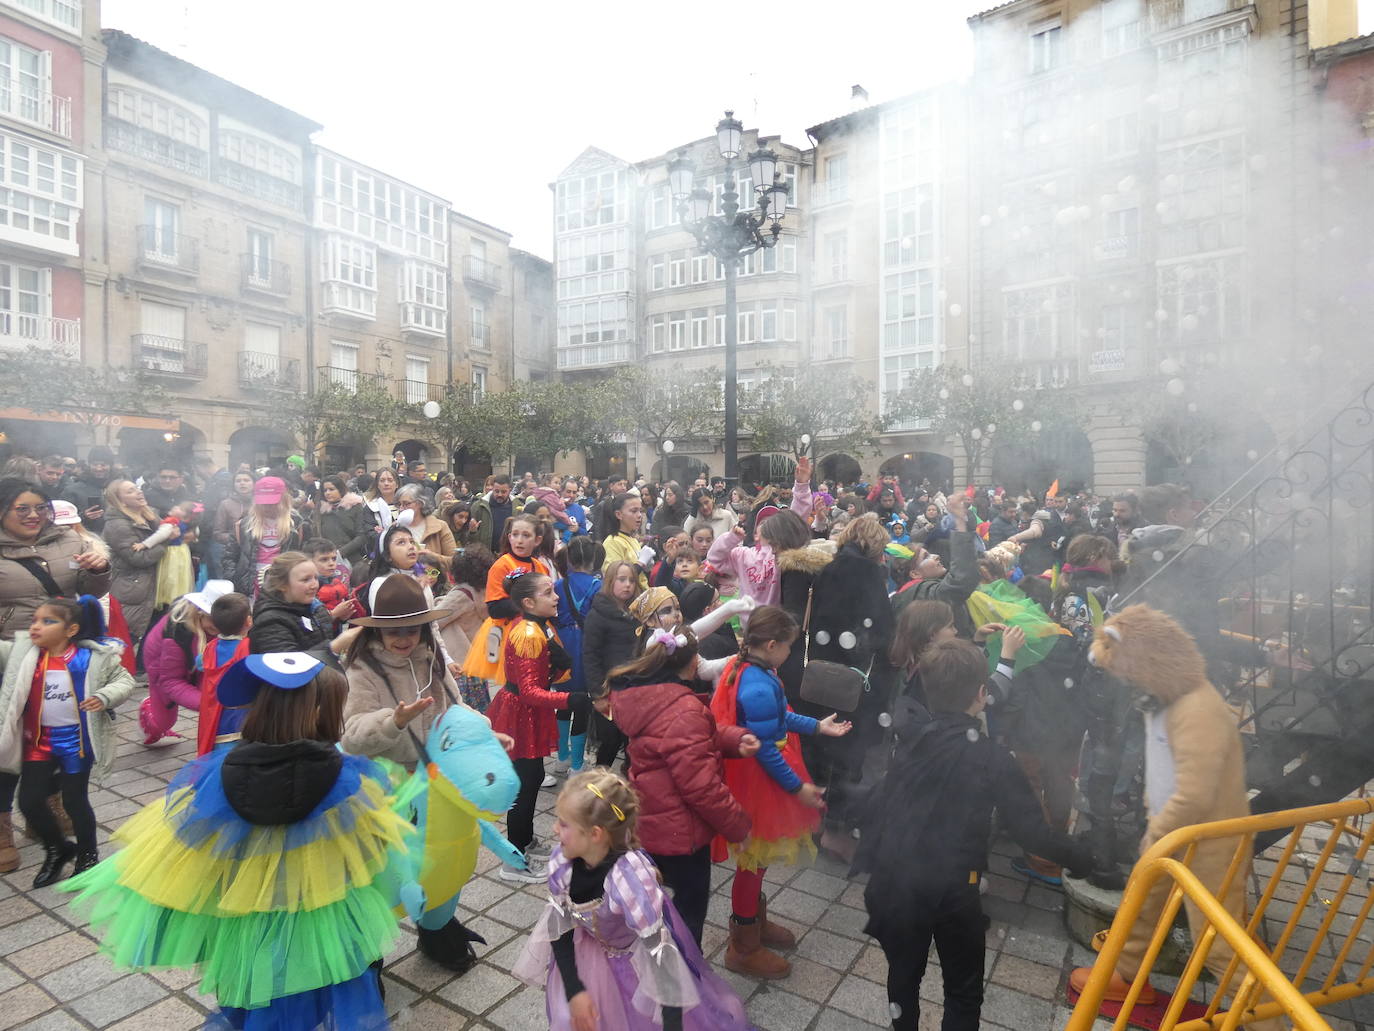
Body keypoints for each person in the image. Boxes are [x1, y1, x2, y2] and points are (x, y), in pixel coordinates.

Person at [61, 653, 408, 1030]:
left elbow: (195, 858)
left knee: (256, 1006)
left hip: (247, 928)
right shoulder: (347, 782)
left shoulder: (215, 778)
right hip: (324, 923)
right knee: (327, 999)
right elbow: (369, 857)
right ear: (322, 712)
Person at [854, 638, 1092, 1031]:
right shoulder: (991, 758)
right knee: (963, 990)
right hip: (954, 888)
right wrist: (1084, 858)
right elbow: (1032, 833)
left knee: (904, 974)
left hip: (901, 882)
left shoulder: (913, 737)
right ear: (982, 695)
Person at [340, 574, 504, 974]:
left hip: (440, 782)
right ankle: (368, 951)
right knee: (386, 871)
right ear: (378, 627)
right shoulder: (362, 668)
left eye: (413, 628)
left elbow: (456, 706)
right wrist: (392, 721)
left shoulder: (431, 656)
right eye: (394, 630)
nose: (405, 638)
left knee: (447, 857)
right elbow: (352, 734)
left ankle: (436, 926)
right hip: (389, 787)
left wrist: (482, 729)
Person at [511, 770, 751, 1030]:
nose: (555, 829)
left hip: (630, 966)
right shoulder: (562, 860)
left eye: (564, 824)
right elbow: (559, 928)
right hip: (583, 957)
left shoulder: (628, 880)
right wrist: (574, 990)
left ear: (595, 834)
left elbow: (661, 960)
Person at [709, 605, 852, 979]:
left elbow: (780, 716)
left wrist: (817, 727)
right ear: (771, 645)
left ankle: (753, 922)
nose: (792, 653)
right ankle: (743, 945)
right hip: (760, 781)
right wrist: (797, 787)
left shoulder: (753, 669)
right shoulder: (756, 683)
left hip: (758, 775)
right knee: (752, 862)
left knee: (756, 861)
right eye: (789, 646)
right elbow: (766, 746)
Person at [605, 625, 755, 946]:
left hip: (648, 823)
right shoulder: (684, 710)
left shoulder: (648, 698)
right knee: (688, 913)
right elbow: (701, 786)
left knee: (653, 906)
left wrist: (733, 739)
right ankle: (683, 979)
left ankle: (654, 964)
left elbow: (678, 743)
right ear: (693, 661)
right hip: (681, 836)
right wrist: (738, 827)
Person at [0, 595, 134, 886]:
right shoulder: (25, 654)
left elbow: (124, 681)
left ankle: (87, 855)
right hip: (38, 742)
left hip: (77, 742)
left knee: (75, 801)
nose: (36, 627)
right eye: (35, 620)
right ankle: (57, 848)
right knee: (29, 801)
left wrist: (104, 696)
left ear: (70, 630)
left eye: (48, 621)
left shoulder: (92, 657)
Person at [486, 571, 590, 883]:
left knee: (532, 778)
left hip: (524, 711)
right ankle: (513, 859)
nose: (556, 596)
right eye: (548, 592)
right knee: (525, 782)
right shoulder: (530, 634)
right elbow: (530, 690)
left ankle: (525, 841)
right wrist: (571, 700)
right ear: (529, 602)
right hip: (521, 713)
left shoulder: (535, 626)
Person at [460, 512, 552, 685]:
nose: (519, 540)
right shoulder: (501, 565)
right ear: (509, 537)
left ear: (537, 540)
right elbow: (495, 608)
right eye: (515, 535)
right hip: (509, 633)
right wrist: (531, 604)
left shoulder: (540, 567)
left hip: (536, 632)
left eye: (526, 535)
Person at [140, 580, 232, 746]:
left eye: (223, 622)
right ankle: (148, 710)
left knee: (216, 699)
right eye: (213, 621)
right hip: (162, 666)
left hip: (198, 661)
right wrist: (205, 702)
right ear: (199, 613)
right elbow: (170, 680)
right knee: (164, 723)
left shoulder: (226, 627)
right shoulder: (177, 634)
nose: (219, 627)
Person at [552, 537, 602, 778]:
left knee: (562, 702)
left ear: (569, 559)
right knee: (582, 704)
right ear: (594, 559)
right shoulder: (597, 585)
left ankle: (561, 757)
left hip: (562, 645)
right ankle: (577, 764)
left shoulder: (557, 585)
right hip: (586, 646)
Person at [103, 478, 175, 645]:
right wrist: (166, 541)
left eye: (137, 488)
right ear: (119, 500)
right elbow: (138, 558)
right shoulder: (117, 525)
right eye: (130, 491)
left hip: (153, 585)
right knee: (128, 638)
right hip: (132, 588)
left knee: (152, 636)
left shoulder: (150, 516)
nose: (139, 492)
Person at [582, 560, 639, 770]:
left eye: (631, 580)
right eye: (621, 579)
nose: (627, 585)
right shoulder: (598, 615)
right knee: (609, 740)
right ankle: (599, 783)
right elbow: (590, 656)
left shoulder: (636, 612)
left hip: (633, 689)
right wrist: (598, 695)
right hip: (609, 689)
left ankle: (633, 786)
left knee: (632, 741)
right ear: (610, 582)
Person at [433, 546, 495, 712]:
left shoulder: (461, 595)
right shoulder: (482, 592)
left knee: (460, 710)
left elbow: (434, 620)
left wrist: (437, 602)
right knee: (477, 710)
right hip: (474, 661)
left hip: (457, 663)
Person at [223, 475, 305, 599]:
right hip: (250, 586)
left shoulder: (297, 524)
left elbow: (306, 555)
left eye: (272, 502)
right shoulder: (244, 524)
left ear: (283, 499)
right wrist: (235, 580)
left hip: (285, 584)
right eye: (263, 502)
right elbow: (229, 556)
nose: (267, 506)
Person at [196, 591, 252, 755]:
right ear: (249, 621)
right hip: (241, 715)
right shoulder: (248, 647)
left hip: (215, 714)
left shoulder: (210, 648)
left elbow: (199, 664)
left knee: (218, 756)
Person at [247, 551, 331, 655]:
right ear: (282, 585)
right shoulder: (270, 622)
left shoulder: (314, 608)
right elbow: (287, 665)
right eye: (306, 580)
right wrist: (334, 647)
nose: (314, 585)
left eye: (316, 578)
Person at [314, 474, 372, 565]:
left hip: (353, 560)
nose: (327, 493)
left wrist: (340, 552)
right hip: (326, 560)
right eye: (325, 490)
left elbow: (362, 536)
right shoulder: (321, 510)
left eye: (331, 489)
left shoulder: (355, 507)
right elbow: (316, 535)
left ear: (340, 489)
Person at [396, 484, 457, 570]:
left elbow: (454, 562)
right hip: (404, 580)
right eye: (399, 504)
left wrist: (433, 557)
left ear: (420, 503)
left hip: (434, 580)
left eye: (406, 504)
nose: (401, 508)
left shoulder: (440, 526)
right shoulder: (396, 528)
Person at [600, 492, 652, 591]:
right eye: (633, 511)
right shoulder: (612, 542)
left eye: (640, 511)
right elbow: (614, 579)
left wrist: (647, 569)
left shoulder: (633, 540)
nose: (639, 515)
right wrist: (640, 564)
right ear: (619, 514)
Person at [210, 469, 255, 579]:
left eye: (246, 480)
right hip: (233, 554)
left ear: (254, 483)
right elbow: (218, 533)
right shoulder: (226, 504)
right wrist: (238, 539)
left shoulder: (260, 503)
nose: (242, 483)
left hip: (255, 554)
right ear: (233, 484)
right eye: (238, 481)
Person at [469, 474, 514, 553]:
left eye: (503, 492)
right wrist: (473, 532)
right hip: (485, 557)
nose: (499, 494)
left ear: (510, 490)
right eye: (496, 491)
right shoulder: (478, 507)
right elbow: (468, 538)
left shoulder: (517, 508)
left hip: (509, 557)